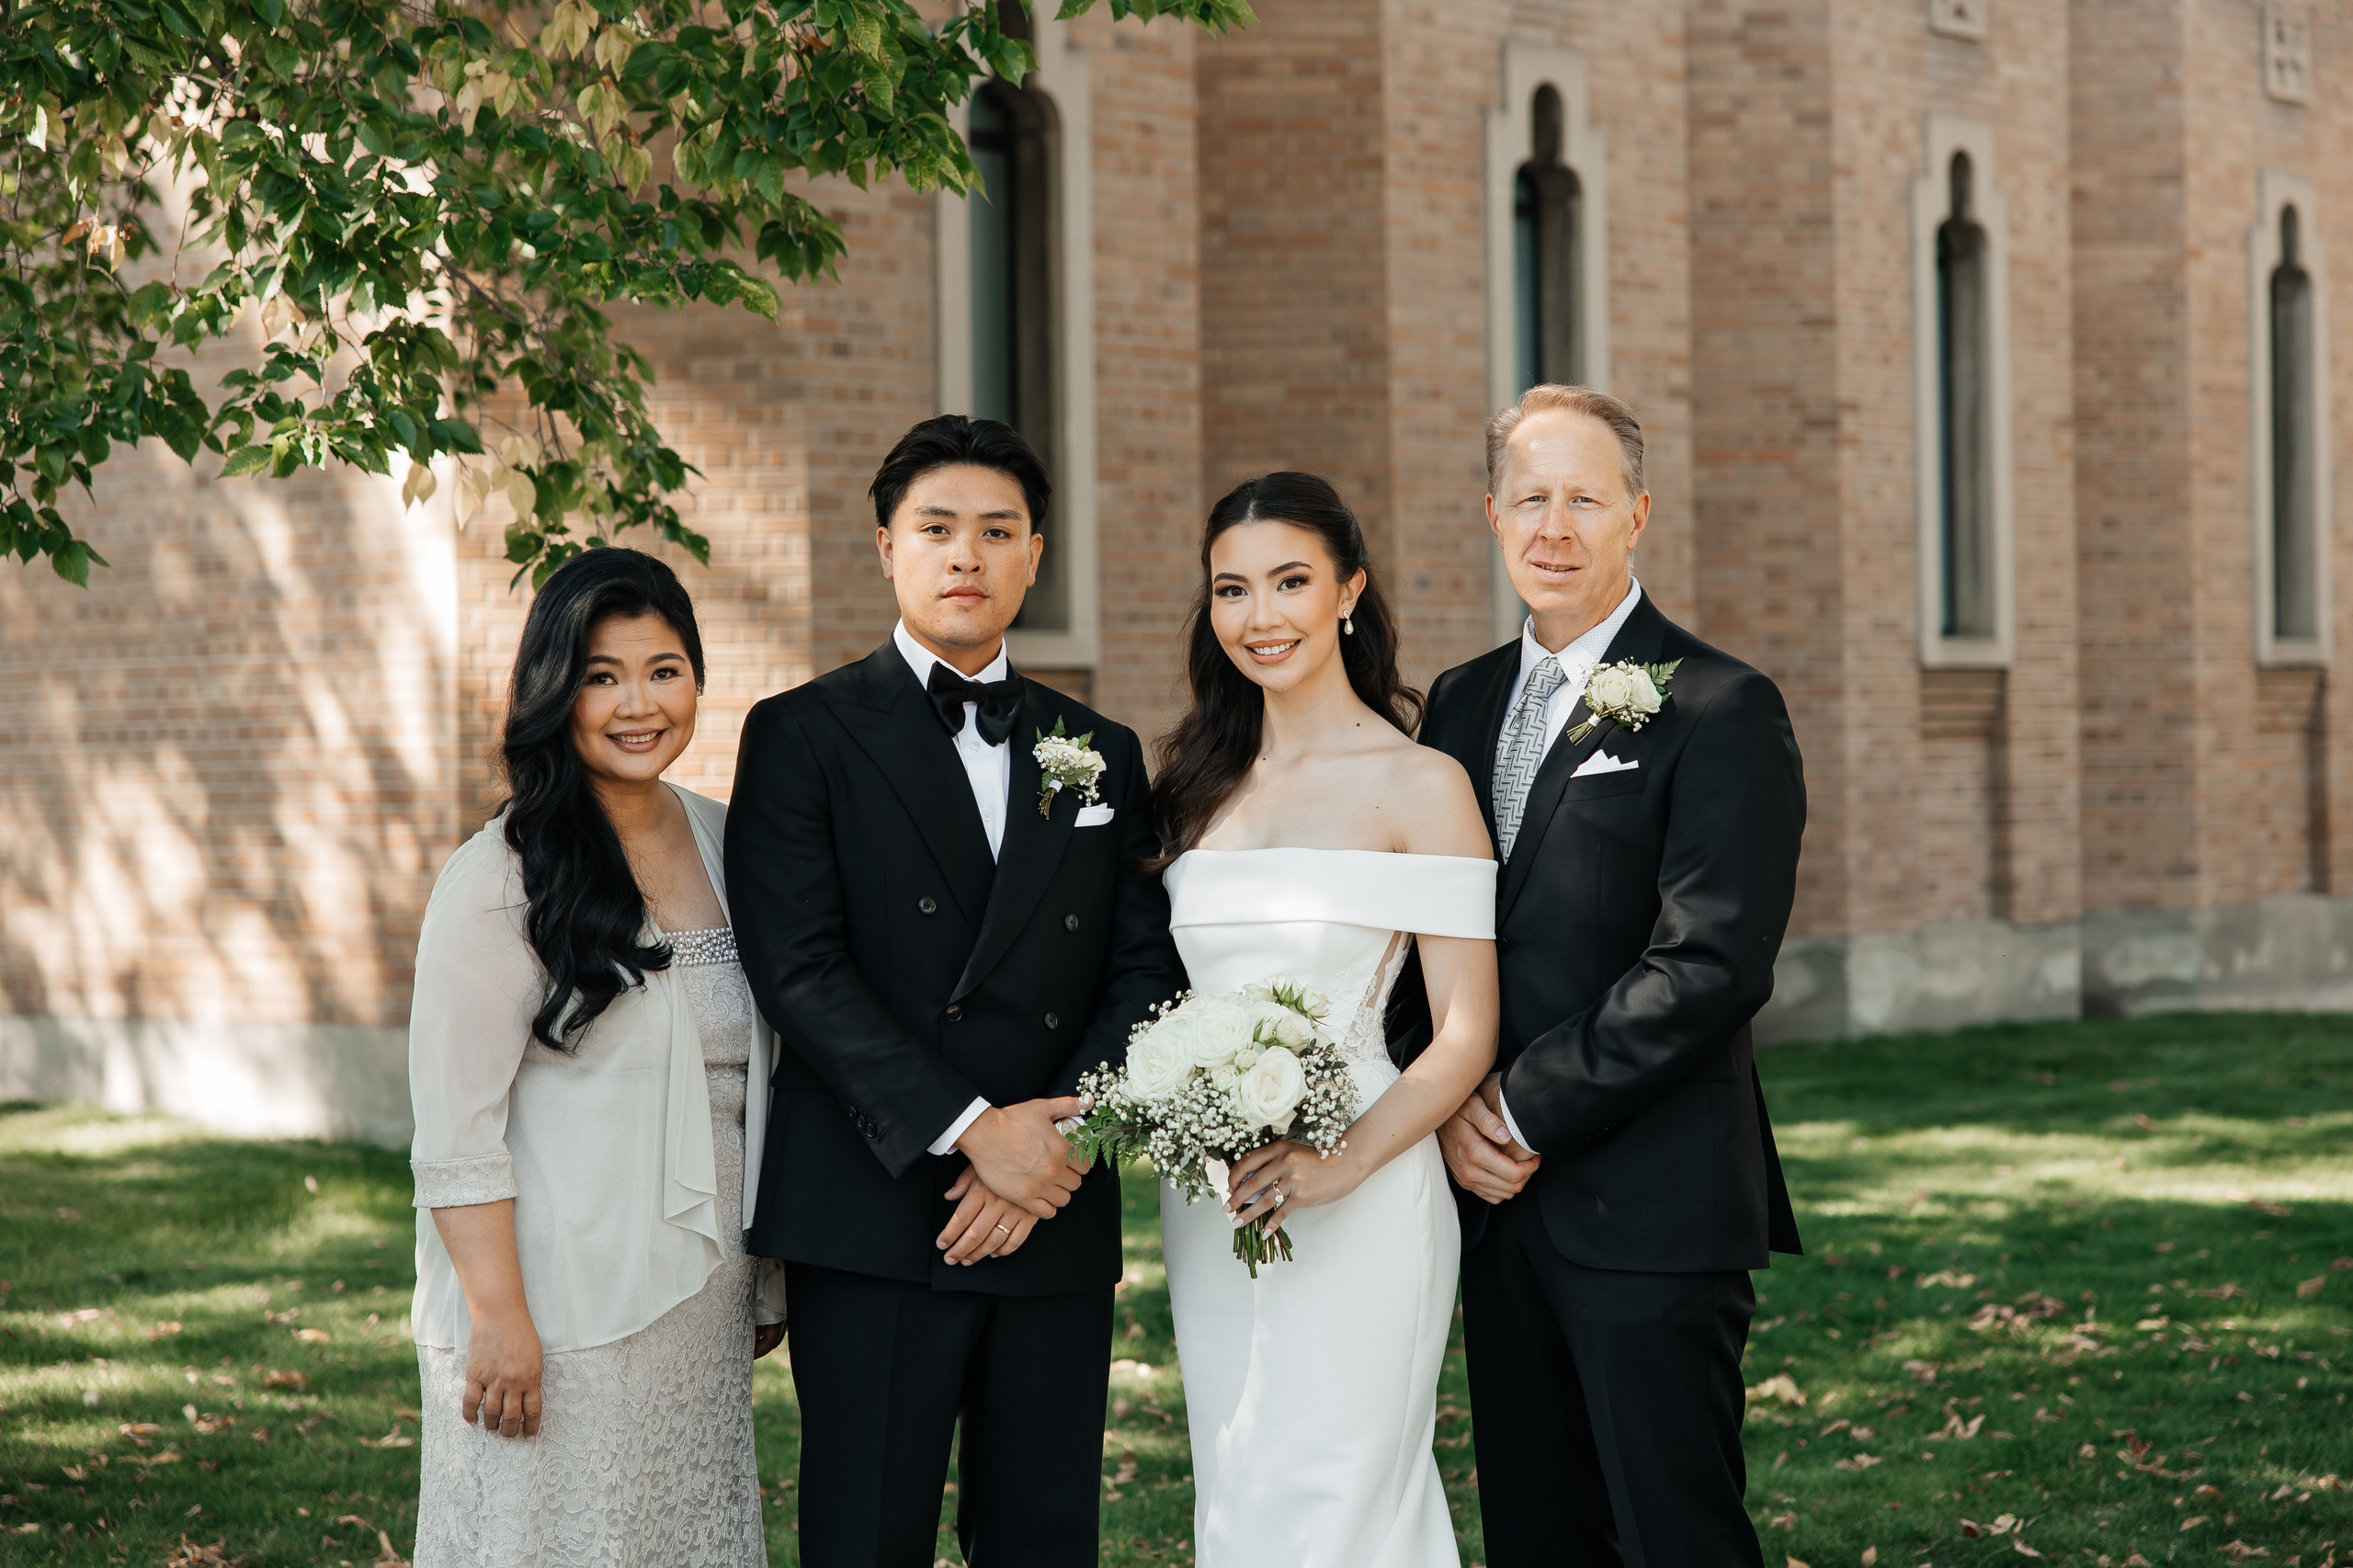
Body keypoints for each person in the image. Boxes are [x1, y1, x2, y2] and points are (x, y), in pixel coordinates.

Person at [725, 415, 1185, 1567]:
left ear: (1036, 554)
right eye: (936, 529)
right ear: (887, 546)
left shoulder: (1103, 748)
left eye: (996, 530)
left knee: (1044, 1535)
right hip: (875, 1205)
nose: (965, 555)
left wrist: (1055, 1145)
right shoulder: (801, 733)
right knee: (865, 1535)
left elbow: (1143, 966)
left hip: (1052, 1206)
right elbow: (798, 967)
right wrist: (975, 1130)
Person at [1418, 384, 1806, 1568]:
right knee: (1535, 1534)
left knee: (1674, 1534)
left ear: (1636, 514)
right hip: (1493, 1210)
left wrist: (1520, 1105)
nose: (1554, 527)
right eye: (1530, 498)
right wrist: (1446, 1106)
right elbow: (1424, 929)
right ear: (1492, 514)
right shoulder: (1457, 702)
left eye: (1584, 499)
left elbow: (1710, 960)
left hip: (1651, 1206)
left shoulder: (1721, 704)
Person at [406, 548, 784, 1568]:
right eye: (601, 676)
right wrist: (498, 1316)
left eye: (664, 670)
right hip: (553, 1303)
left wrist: (764, 1277)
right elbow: (456, 1129)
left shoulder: (727, 839)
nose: (637, 704)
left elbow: (756, 1079)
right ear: (553, 690)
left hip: (703, 1295)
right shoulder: (501, 876)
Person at [1154, 472, 1500, 1568]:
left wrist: (1339, 1162)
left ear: (1349, 590)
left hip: (1366, 1187)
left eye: (1290, 581)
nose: (1260, 615)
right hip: (1212, 1196)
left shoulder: (1421, 783)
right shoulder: (1197, 782)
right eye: (1232, 589)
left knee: (1346, 1492)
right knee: (1239, 1482)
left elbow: (1464, 1032)